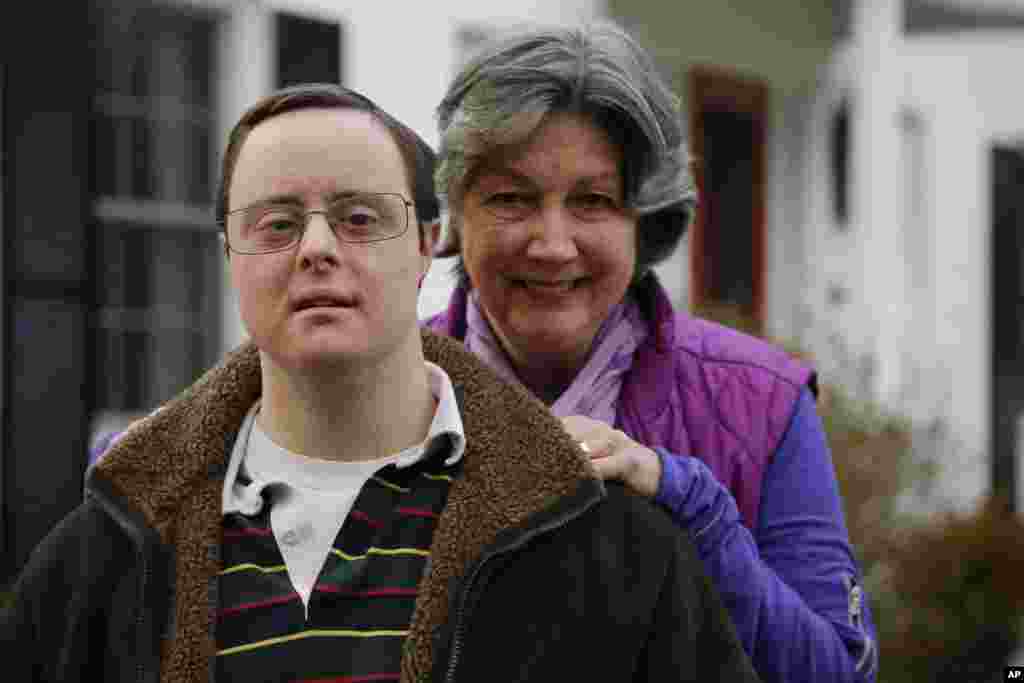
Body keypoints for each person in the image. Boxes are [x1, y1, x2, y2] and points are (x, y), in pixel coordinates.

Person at [2, 83, 760, 682]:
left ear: (429, 244)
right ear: (229, 250)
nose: (318, 248)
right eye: (276, 223)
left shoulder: (605, 545)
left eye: (361, 217)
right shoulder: (105, 557)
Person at [425, 21, 877, 683]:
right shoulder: (385, 392)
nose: (553, 244)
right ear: (456, 218)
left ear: (648, 219)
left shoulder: (763, 404)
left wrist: (693, 504)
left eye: (593, 201)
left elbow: (837, 674)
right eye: (512, 199)